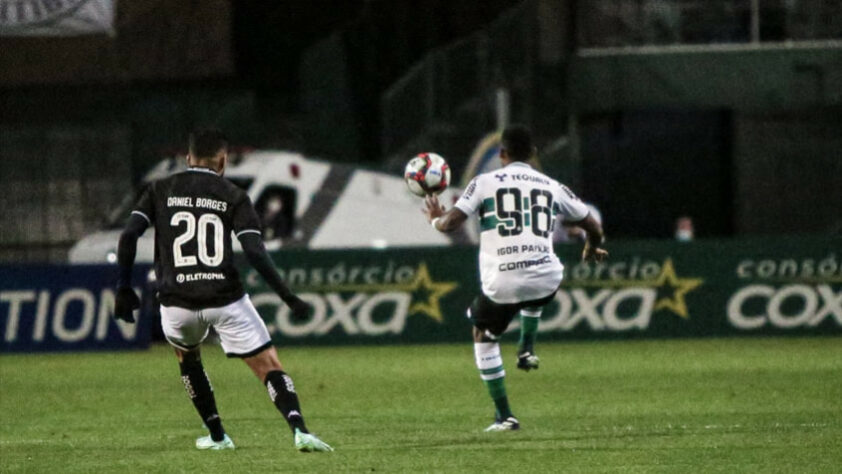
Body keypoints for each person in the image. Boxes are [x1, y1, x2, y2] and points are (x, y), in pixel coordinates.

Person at [114, 129, 332, 452]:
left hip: (177, 302)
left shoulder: (159, 189)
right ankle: (299, 430)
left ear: (188, 159)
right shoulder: (233, 194)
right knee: (268, 365)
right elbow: (255, 252)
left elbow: (129, 235)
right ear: (222, 161)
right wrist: (288, 296)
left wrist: (123, 286)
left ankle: (217, 436)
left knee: (187, 358)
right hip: (225, 298)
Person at [423, 124, 607, 431]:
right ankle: (526, 346)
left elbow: (451, 223)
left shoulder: (483, 182)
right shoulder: (552, 184)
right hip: (548, 278)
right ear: (533, 154)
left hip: (504, 283)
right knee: (533, 290)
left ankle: (504, 415)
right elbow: (594, 227)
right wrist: (591, 248)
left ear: (501, 154)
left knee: (483, 336)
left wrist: (434, 220)